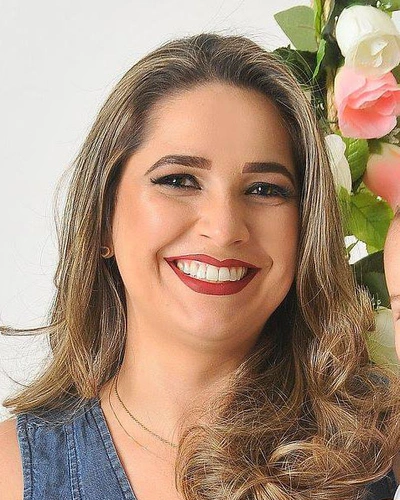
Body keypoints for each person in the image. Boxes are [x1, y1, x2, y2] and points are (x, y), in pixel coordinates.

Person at [0, 32, 399, 500]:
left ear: (306, 225)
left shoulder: (381, 449)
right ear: (103, 217)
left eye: (265, 189)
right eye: (179, 180)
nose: (224, 228)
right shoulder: (10, 475)